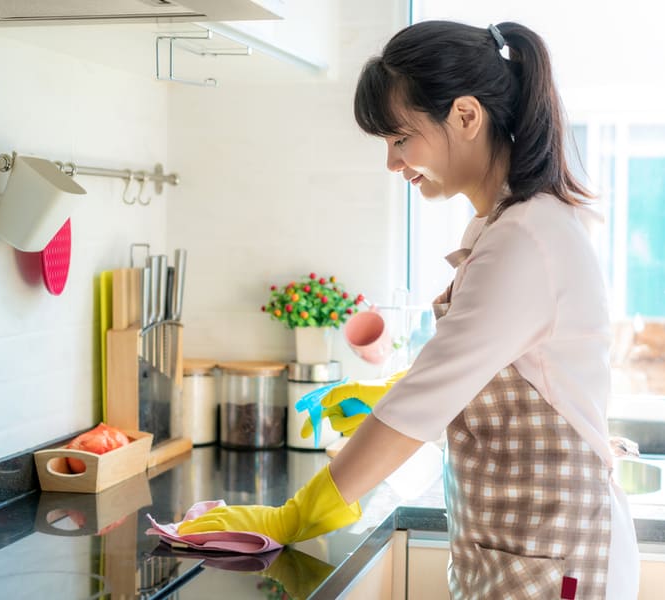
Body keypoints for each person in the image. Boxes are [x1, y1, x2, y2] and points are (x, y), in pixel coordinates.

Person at [179, 20, 640, 599]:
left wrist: (296, 516)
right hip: (531, 549)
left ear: (466, 117)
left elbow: (425, 402)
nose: (394, 163)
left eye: (401, 139)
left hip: (560, 558)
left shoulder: (525, 239)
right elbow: (483, 370)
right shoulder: (509, 227)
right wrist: (385, 393)